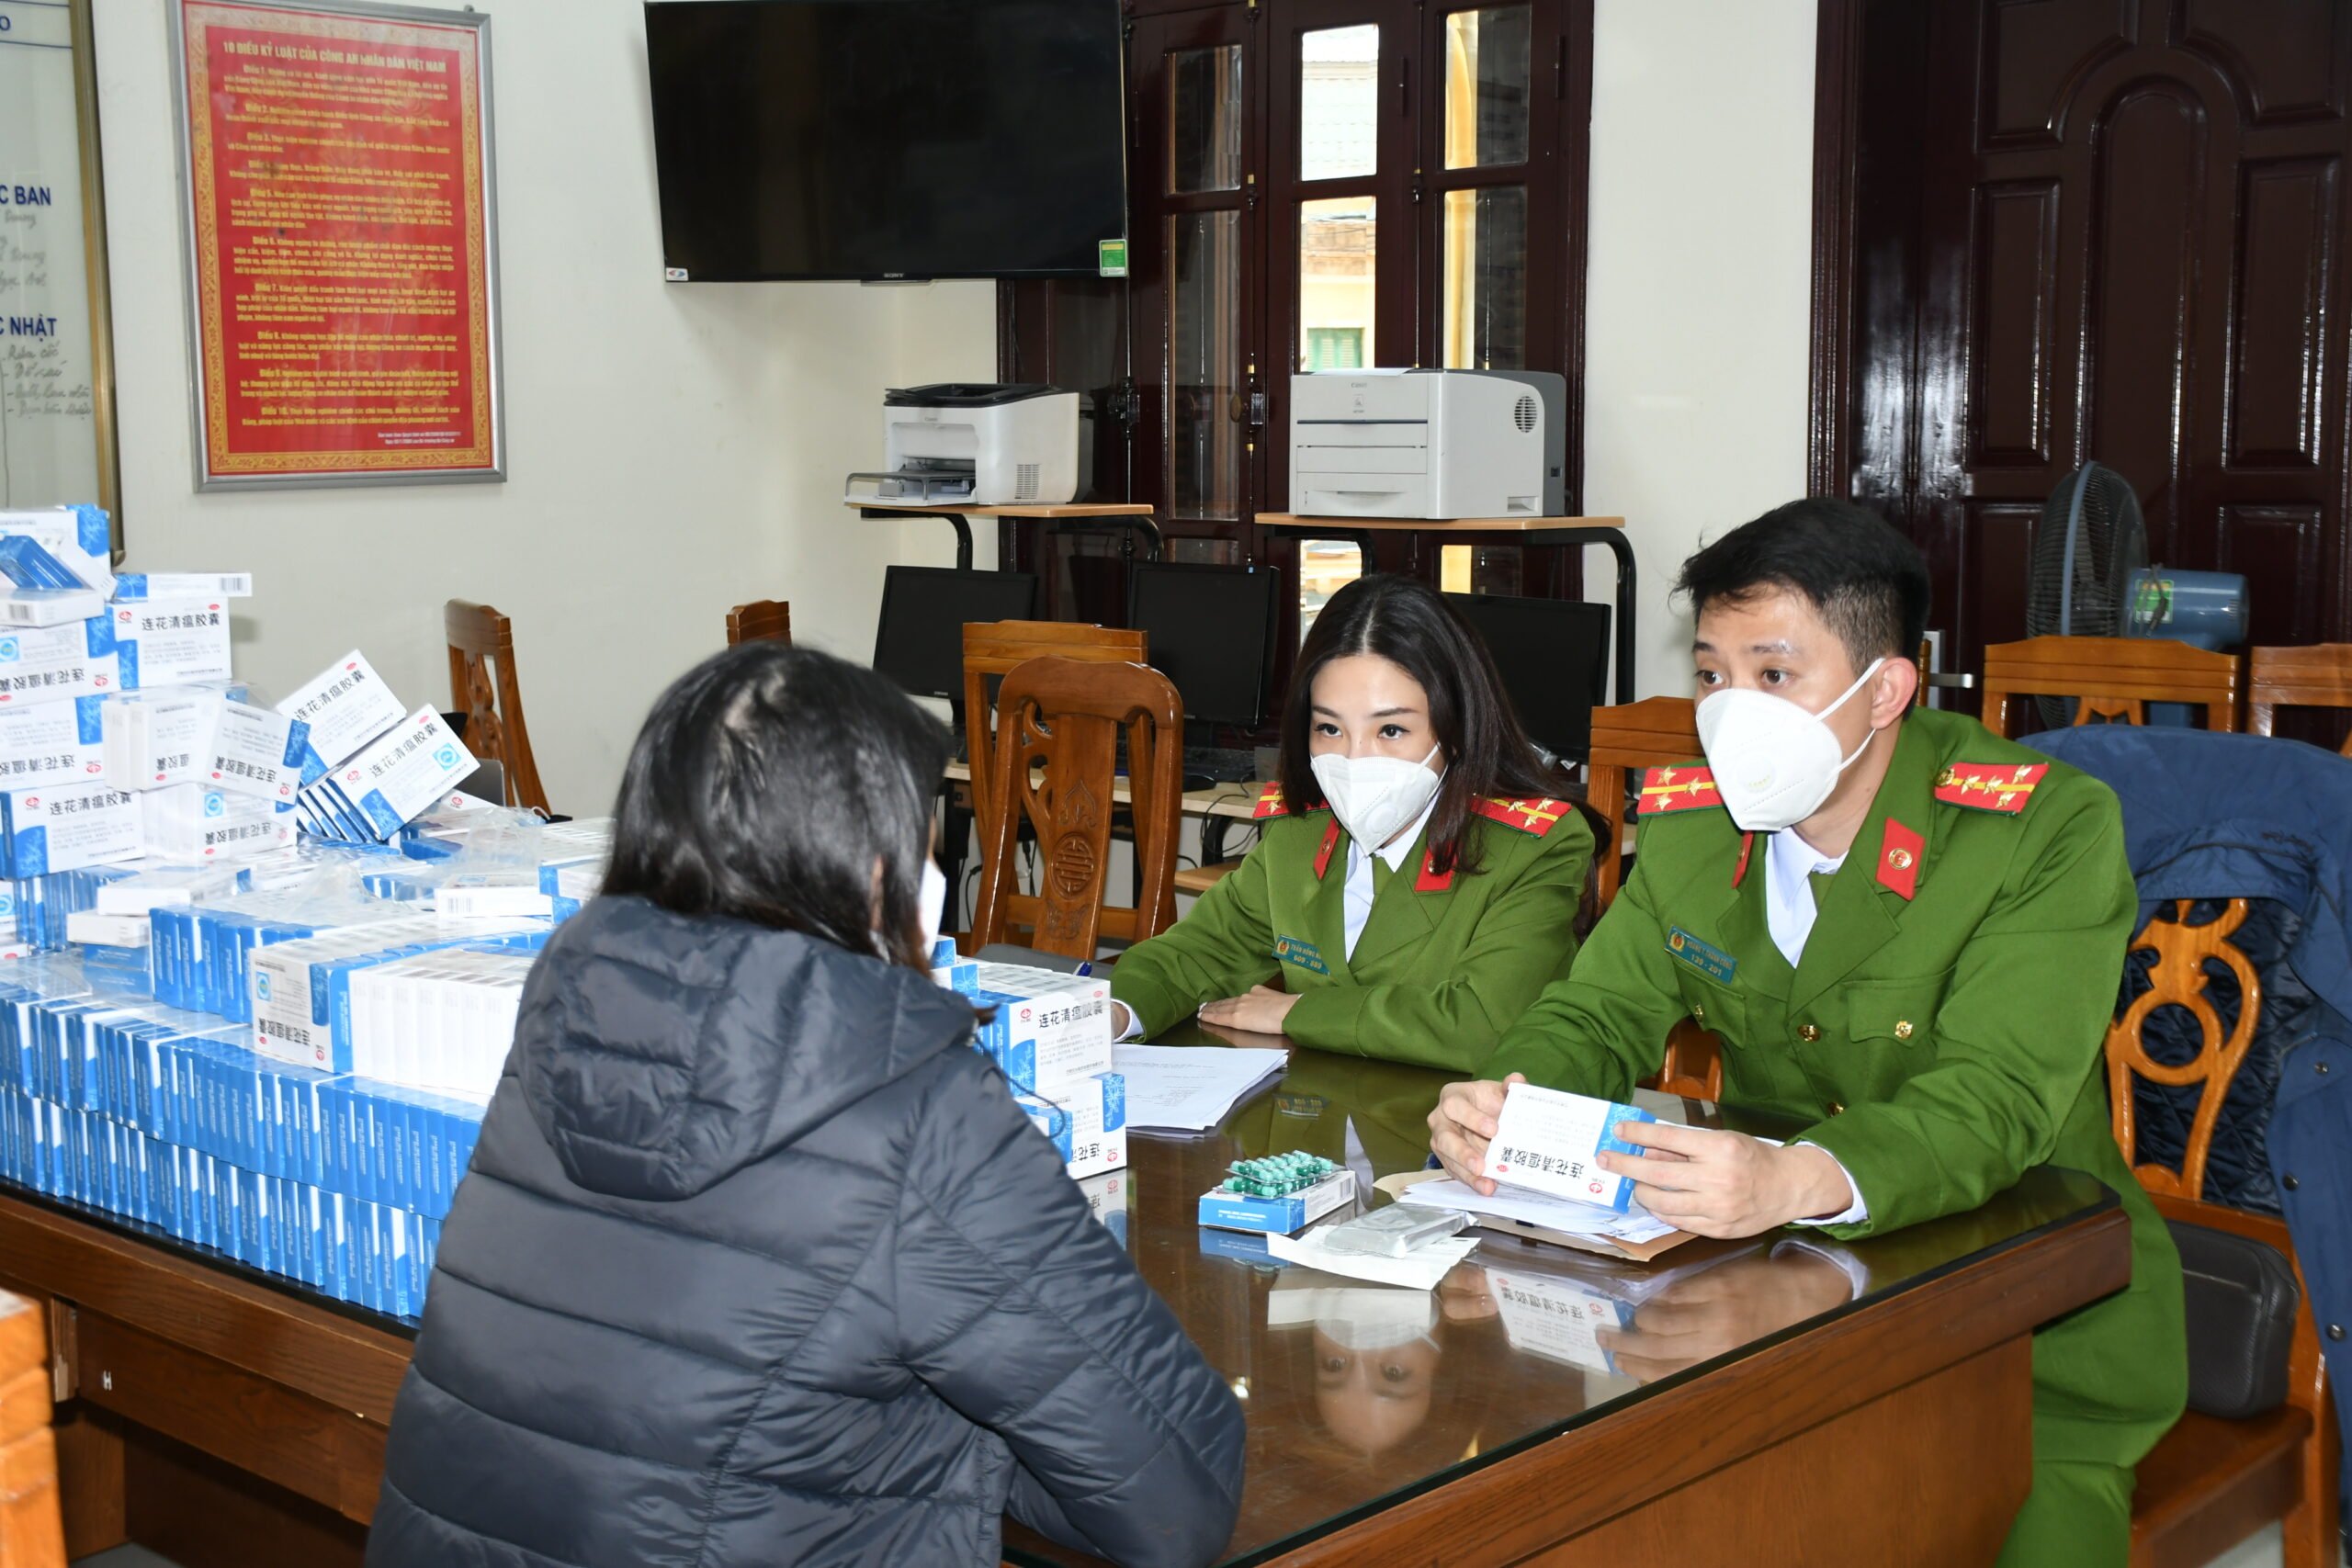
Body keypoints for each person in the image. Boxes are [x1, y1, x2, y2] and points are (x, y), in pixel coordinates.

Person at [368, 644, 1245, 1568]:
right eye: (923, 838)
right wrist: (956, 1432)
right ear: (865, 864)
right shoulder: (909, 1101)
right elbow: (1176, 1495)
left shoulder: (568, 1018)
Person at [1427, 500, 2186, 1565]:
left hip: (2020, 1329)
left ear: (1885, 690)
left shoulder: (2039, 830)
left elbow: (1996, 1098)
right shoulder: (1694, 823)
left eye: (1773, 674)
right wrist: (1508, 1102)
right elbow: (1596, 1011)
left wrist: (1796, 1177)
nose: (1732, 711)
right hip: (1755, 1301)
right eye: (1711, 674)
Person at [1109, 574, 1594, 1069]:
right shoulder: (1301, 829)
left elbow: (1482, 1024)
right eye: (1329, 727)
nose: (1354, 759)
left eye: (1391, 729)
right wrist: (1115, 1012)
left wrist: (1298, 1012)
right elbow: (1205, 949)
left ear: (1457, 726)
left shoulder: (1531, 847)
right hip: (1321, 1102)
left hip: (1459, 1109)